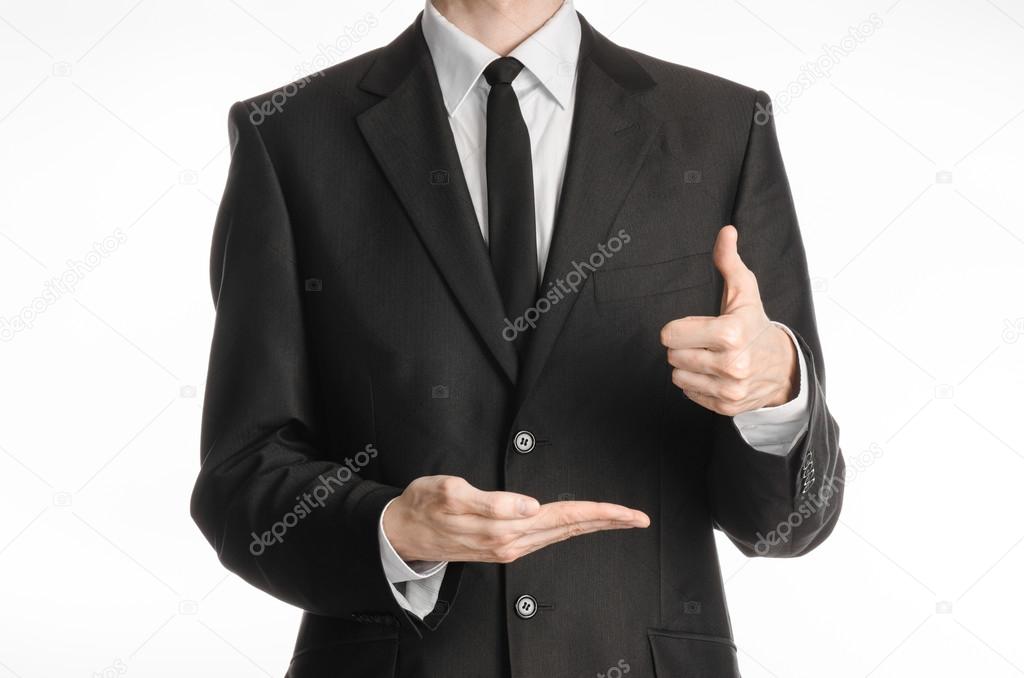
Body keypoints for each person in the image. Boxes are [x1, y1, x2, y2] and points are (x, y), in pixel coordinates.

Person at [191, 1, 845, 676]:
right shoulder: (291, 134)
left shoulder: (721, 126)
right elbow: (242, 473)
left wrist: (777, 400)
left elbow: (789, 526)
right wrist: (391, 528)